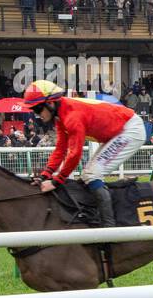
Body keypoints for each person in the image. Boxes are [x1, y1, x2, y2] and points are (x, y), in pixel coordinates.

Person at [22, 80, 146, 229]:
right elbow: (61, 149)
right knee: (88, 175)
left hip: (129, 130)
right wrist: (45, 175)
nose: (36, 115)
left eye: (37, 109)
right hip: (117, 132)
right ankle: (95, 216)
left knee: (93, 175)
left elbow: (75, 154)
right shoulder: (61, 115)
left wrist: (56, 181)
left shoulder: (72, 116)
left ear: (50, 103)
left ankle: (109, 228)